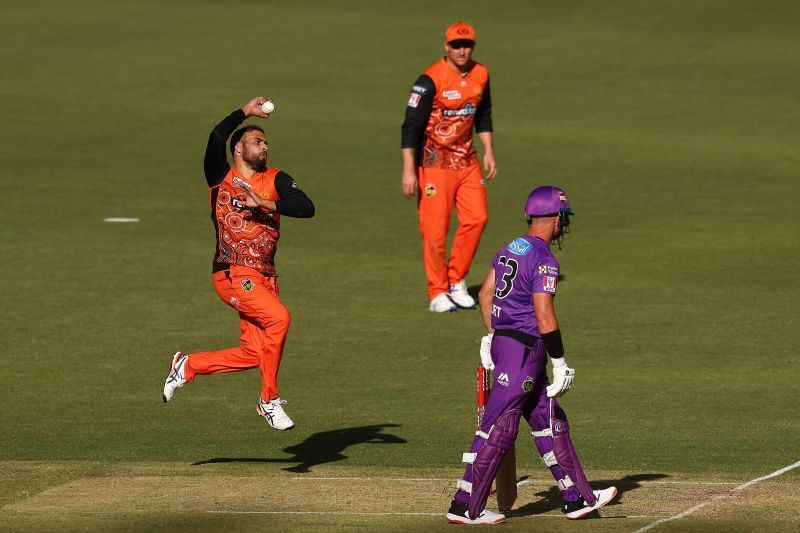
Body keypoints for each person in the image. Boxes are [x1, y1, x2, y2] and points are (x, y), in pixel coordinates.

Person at [446, 186, 617, 524]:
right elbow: (544, 315)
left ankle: (576, 496)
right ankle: (464, 505)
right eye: (562, 218)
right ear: (554, 218)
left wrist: (494, 337)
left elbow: (484, 294)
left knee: (550, 420)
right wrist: (560, 361)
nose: (563, 225)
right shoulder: (543, 259)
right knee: (498, 427)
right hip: (524, 349)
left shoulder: (510, 248)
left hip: (510, 345)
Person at [162, 97, 315, 431]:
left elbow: (306, 207)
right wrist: (244, 112)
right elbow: (216, 137)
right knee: (280, 318)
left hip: (266, 277)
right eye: (257, 141)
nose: (264, 146)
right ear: (239, 149)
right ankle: (268, 401)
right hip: (232, 273)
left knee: (258, 353)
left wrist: (265, 202)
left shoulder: (275, 179)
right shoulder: (220, 177)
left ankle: (188, 366)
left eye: (266, 142)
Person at [401, 21, 497, 313]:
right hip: (433, 165)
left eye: (466, 45)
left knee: (477, 219)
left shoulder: (481, 74)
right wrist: (408, 170)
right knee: (435, 230)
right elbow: (410, 127)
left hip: (467, 162)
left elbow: (483, 115)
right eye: (456, 45)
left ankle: (457, 279)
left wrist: (489, 151)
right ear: (446, 46)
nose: (462, 50)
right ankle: (437, 292)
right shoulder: (429, 80)